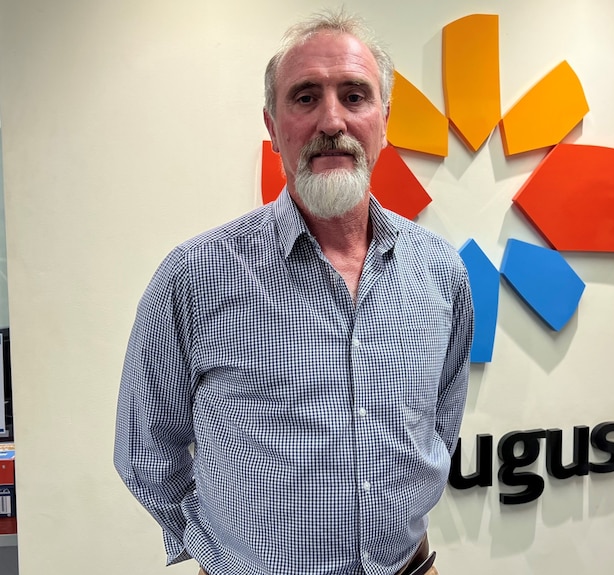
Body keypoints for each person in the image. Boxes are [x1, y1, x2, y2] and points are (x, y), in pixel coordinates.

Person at [113, 9, 474, 575]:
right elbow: (145, 450)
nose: (332, 120)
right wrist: (219, 550)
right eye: (305, 97)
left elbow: (441, 420)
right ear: (272, 125)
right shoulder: (194, 277)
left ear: (384, 120)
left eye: (355, 95)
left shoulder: (438, 271)